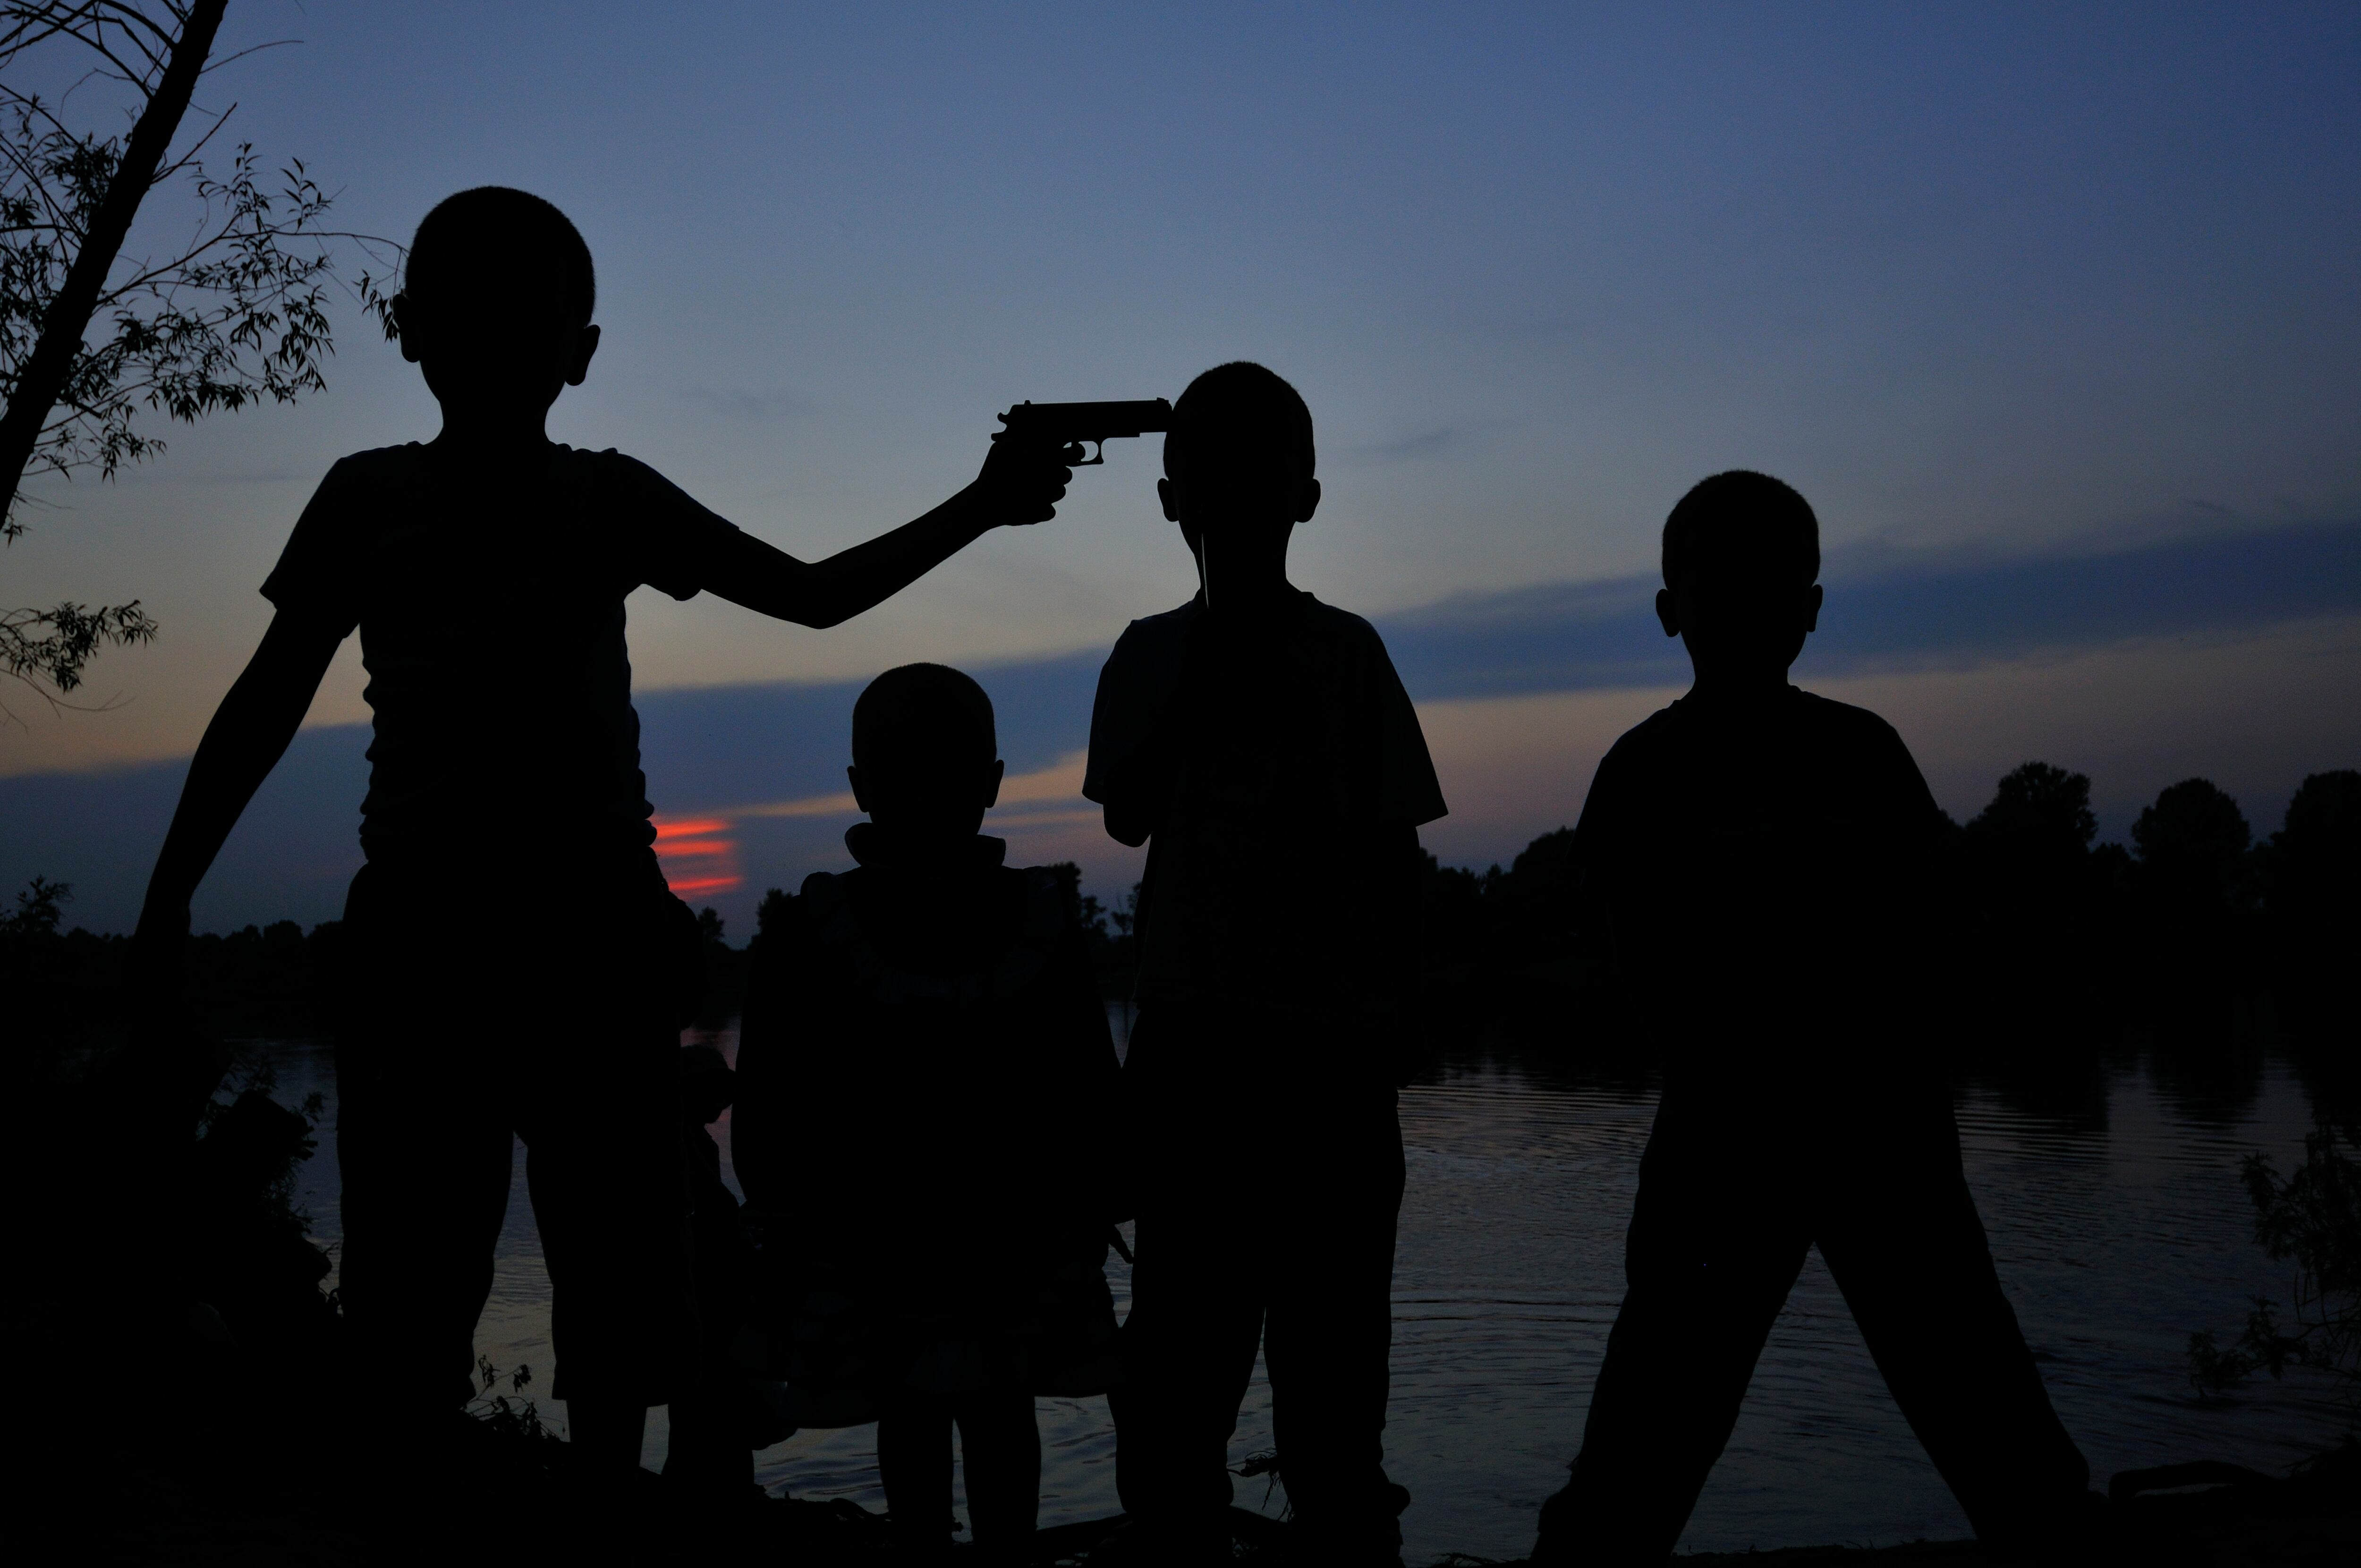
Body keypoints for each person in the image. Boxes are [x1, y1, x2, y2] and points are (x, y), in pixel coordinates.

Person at [129, 187, 1075, 1474]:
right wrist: (980, 505)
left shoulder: (503, 500)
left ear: (415, 331)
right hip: (474, 943)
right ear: (579, 350)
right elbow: (812, 600)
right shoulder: (436, 501)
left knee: (564, 1295)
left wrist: (171, 893)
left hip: (537, 941)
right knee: (523, 1298)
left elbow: (263, 705)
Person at [1529, 471, 2092, 1563]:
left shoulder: (1768, 759)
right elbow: (1922, 938)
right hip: (1782, 1130)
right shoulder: (1718, 764)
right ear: (1676, 609)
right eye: (1723, 584)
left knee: (1965, 1393)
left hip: (1837, 1131)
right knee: (1667, 1417)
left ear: (1809, 608)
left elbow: (1643, 971)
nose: (1744, 607)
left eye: (1763, 584)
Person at [1084, 362, 1446, 1563]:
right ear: (1172, 499)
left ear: (1307, 498)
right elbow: (1129, 814)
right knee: (1180, 1366)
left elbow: (1397, 855)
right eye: (1215, 483)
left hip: (1331, 1056)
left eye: (1261, 482)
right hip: (1193, 1056)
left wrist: (1402, 1012)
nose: (1235, 507)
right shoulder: (1147, 655)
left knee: (1335, 1374)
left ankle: (1345, 1553)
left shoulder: (1348, 654)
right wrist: (1204, 681)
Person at [731, 662, 1122, 1563]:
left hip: (885, 1243)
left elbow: (768, 1110)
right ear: (992, 782)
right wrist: (1091, 1201)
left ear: (862, 790)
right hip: (998, 1241)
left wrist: (790, 1225)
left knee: (916, 1420)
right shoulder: (1040, 920)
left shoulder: (813, 928)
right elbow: (1092, 1093)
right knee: (999, 1413)